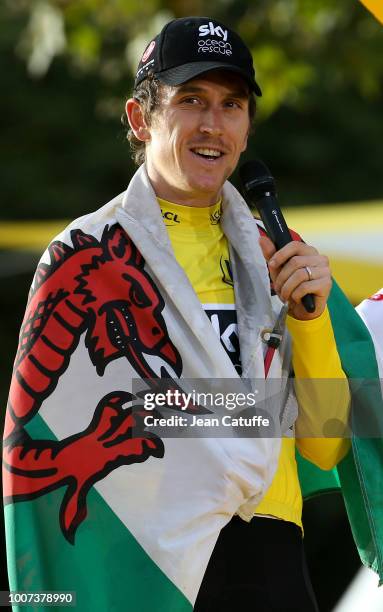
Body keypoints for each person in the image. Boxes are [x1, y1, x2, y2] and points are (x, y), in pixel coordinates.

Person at [3, 16, 351, 612]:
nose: (213, 124)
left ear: (246, 127)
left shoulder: (284, 253)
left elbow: (326, 447)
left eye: (232, 104)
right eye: (190, 100)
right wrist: (263, 412)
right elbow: (40, 436)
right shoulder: (82, 253)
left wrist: (311, 321)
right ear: (141, 119)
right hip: (149, 564)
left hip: (272, 559)